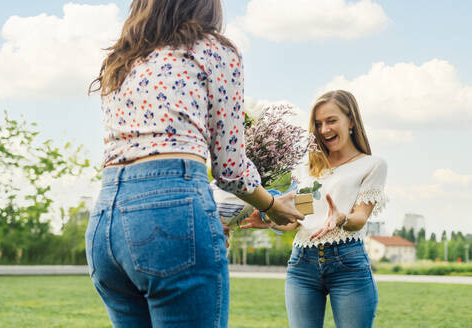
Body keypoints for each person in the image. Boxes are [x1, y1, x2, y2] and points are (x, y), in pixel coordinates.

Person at [85, 1, 304, 327]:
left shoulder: (122, 60)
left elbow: (150, 167)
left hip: (105, 223)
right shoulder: (213, 50)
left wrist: (203, 213)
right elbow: (230, 170)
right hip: (173, 215)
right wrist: (270, 204)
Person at [241, 90, 387, 328]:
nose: (324, 130)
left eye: (331, 121)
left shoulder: (372, 165)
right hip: (302, 264)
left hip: (347, 263)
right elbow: (297, 221)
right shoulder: (306, 167)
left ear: (351, 121)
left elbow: (360, 218)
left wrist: (341, 219)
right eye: (318, 124)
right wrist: (269, 220)